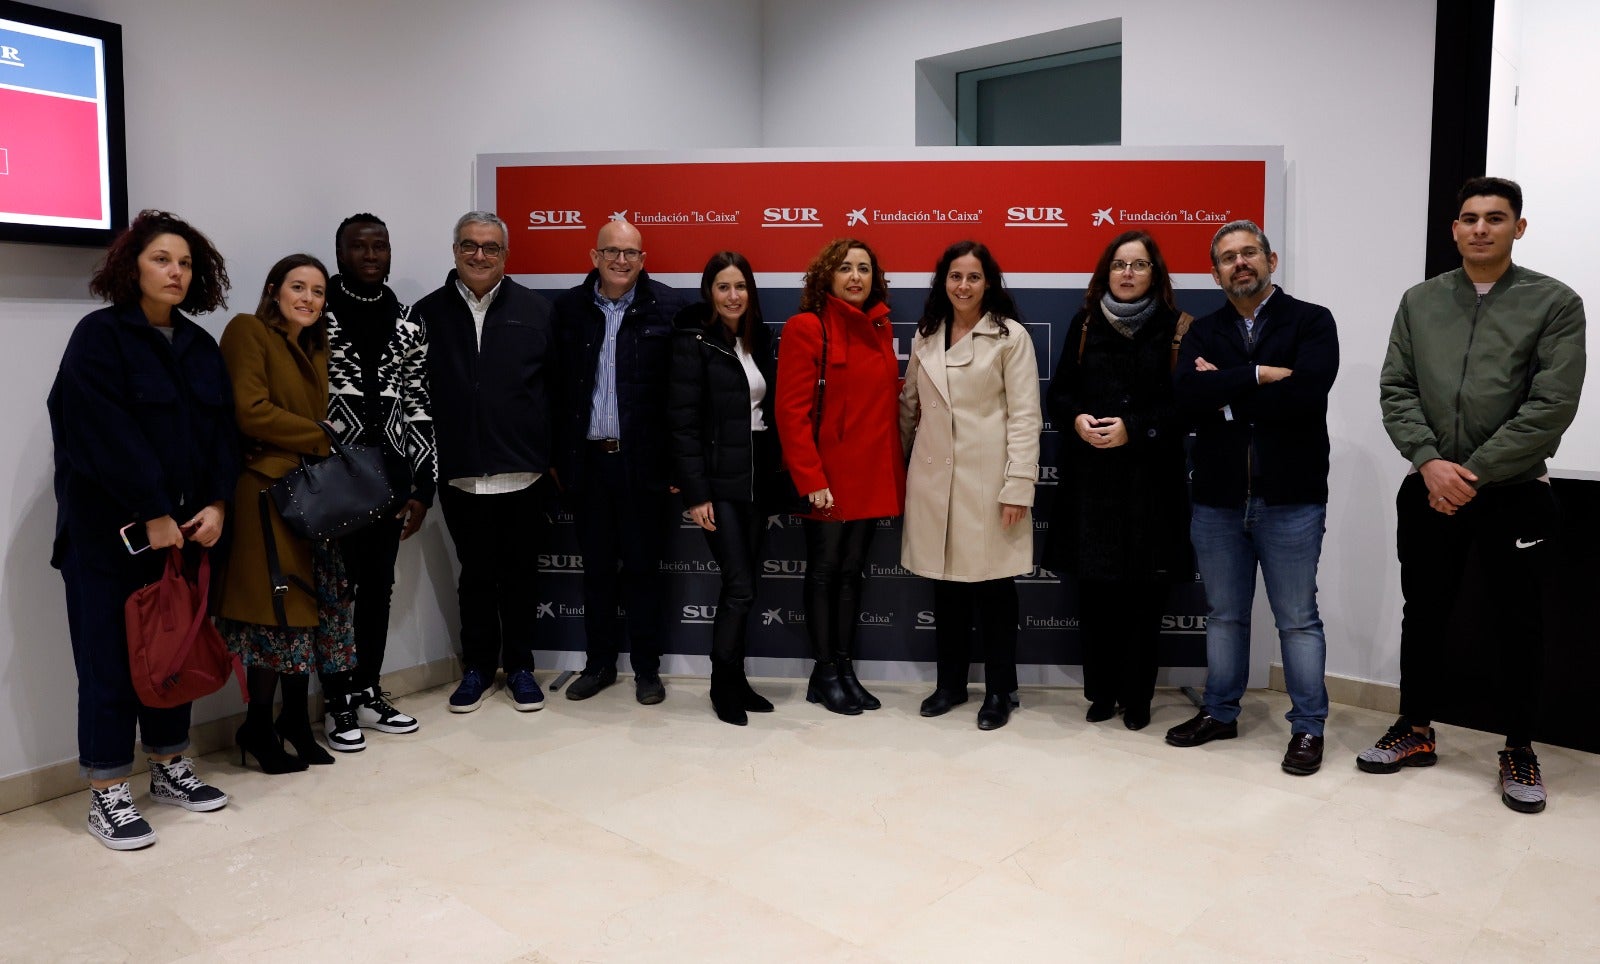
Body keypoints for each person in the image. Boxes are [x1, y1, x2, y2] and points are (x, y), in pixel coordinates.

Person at [1367, 176, 1585, 813]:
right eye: (1469, 218)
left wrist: (1471, 474)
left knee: (1519, 622)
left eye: (1495, 217)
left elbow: (1551, 406)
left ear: (1518, 227)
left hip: (1514, 492)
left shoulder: (1555, 303)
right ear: (1454, 229)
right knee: (1424, 614)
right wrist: (1431, 464)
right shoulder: (1420, 301)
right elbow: (1396, 390)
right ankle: (1415, 730)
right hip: (1429, 487)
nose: (1480, 228)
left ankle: (1518, 747)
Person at [48, 210, 236, 849]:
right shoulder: (98, 338)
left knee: (170, 654)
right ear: (133, 266)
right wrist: (152, 509)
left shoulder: (199, 346)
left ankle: (168, 765)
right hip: (108, 540)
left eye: (184, 262)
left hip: (179, 537)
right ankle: (106, 791)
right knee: (107, 663)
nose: (175, 272)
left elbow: (219, 436)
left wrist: (215, 503)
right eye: (162, 259)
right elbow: (98, 435)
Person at [1164, 220, 1339, 776]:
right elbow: (1187, 398)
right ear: (1214, 271)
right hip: (1216, 499)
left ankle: (1308, 728)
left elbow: (1306, 396)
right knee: (1224, 617)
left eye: (1249, 254)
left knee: (1297, 619)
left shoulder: (1310, 320)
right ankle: (1220, 712)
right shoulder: (1203, 328)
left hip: (1291, 499)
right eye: (1227, 257)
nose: (1239, 263)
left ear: (1271, 260)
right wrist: (1260, 374)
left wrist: (1229, 390)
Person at [1045, 231, 1192, 732]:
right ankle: (1101, 692)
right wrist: (1077, 419)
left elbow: (1184, 406)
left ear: (1156, 274)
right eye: (1119, 264)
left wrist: (1135, 427)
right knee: (1096, 597)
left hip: (1152, 486)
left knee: (1144, 599)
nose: (1128, 273)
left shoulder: (1178, 329)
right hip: (1091, 486)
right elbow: (1059, 394)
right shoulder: (1084, 324)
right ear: (1105, 273)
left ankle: (1139, 697)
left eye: (1140, 265)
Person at [216, 254, 353, 774]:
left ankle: (294, 720)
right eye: (299, 287)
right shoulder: (248, 330)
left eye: (318, 292)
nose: (309, 299)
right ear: (274, 289)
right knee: (274, 617)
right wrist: (323, 437)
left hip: (309, 495)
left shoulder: (313, 347)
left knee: (308, 613)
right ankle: (256, 723)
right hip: (267, 494)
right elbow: (249, 411)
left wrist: (317, 442)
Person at [416, 211, 555, 714]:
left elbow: (555, 392)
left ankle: (519, 667)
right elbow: (415, 399)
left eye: (491, 248)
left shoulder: (538, 311)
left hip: (524, 471)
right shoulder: (425, 313)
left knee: (520, 575)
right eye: (470, 245)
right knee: (474, 576)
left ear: (505, 255)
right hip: (460, 473)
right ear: (454, 250)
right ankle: (476, 668)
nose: (480, 255)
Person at [901, 241, 1040, 731]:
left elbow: (1025, 418)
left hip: (989, 485)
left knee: (996, 593)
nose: (963, 286)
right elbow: (908, 408)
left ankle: (1001, 691)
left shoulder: (1010, 337)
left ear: (989, 283)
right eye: (955, 276)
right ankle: (950, 685)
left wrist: (1018, 485)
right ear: (943, 281)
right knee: (947, 593)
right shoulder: (926, 335)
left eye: (973, 277)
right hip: (934, 484)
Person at [317, 213, 436, 752]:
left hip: (389, 480)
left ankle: (367, 688)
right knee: (335, 593)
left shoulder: (408, 320)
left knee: (377, 591)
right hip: (331, 479)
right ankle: (336, 701)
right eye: (358, 247)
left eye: (379, 246)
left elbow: (418, 406)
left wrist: (422, 487)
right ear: (339, 252)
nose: (370, 255)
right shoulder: (318, 312)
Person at [551, 219, 681, 706]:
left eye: (630, 253)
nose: (620, 261)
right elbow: (554, 390)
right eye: (611, 252)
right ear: (594, 255)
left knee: (645, 571)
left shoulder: (669, 307)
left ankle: (647, 670)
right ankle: (600, 664)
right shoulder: (567, 309)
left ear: (643, 259)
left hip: (646, 466)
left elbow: (681, 395)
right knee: (598, 571)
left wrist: (675, 465)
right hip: (589, 464)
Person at [775, 238, 906, 715]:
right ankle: (825, 669)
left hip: (871, 475)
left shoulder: (880, 326)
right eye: (845, 268)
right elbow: (790, 412)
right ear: (826, 276)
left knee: (852, 574)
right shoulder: (806, 327)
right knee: (826, 572)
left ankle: (844, 669)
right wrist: (811, 478)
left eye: (864, 269)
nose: (855, 277)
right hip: (827, 479)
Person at [668, 252, 784, 725]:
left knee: (747, 587)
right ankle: (722, 685)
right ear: (709, 293)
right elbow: (682, 425)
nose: (733, 296)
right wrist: (696, 495)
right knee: (738, 586)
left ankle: (736, 680)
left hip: (756, 484)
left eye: (740, 286)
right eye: (723, 287)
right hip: (717, 486)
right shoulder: (693, 342)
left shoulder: (760, 339)